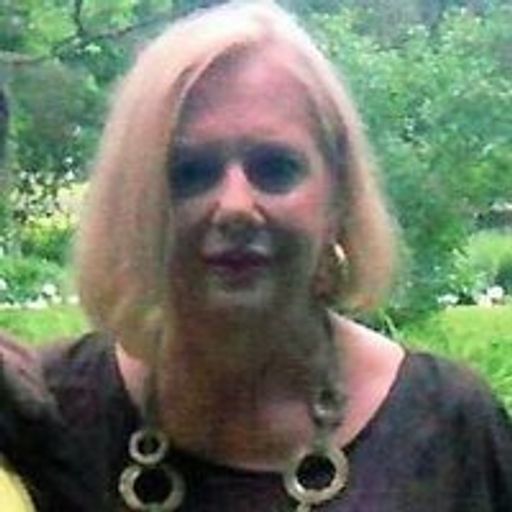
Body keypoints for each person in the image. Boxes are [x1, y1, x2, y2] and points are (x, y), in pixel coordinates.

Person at [4, 1, 512, 510]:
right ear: (134, 198)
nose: (235, 207)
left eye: (275, 168)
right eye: (191, 172)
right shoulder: (37, 414)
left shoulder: (452, 431)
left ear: (338, 194)